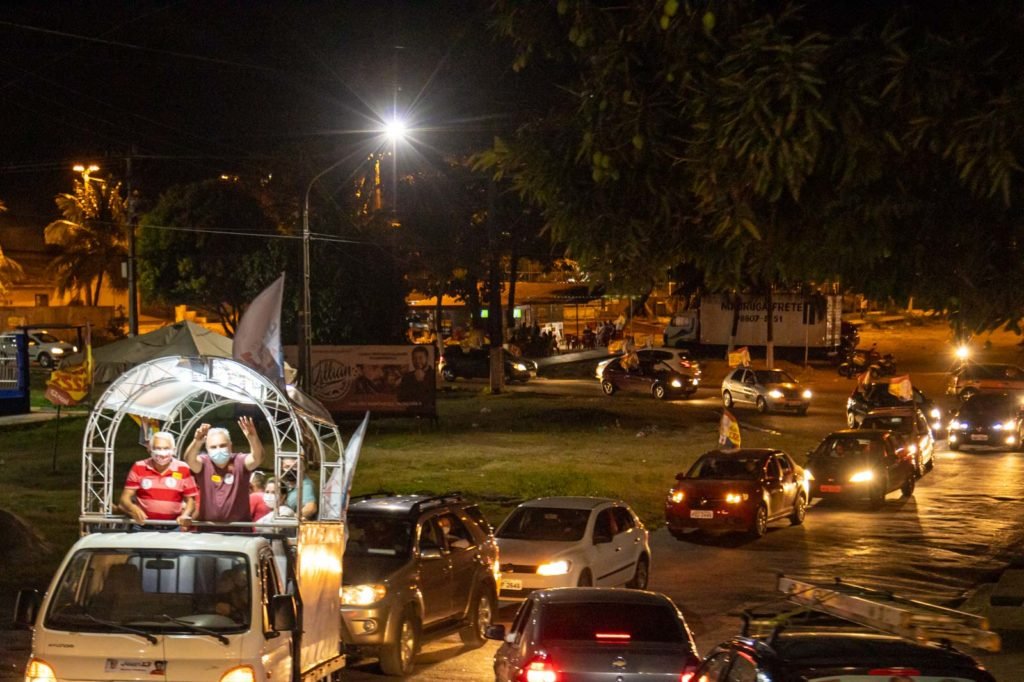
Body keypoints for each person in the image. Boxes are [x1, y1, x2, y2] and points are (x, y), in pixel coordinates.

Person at [184, 416, 265, 527]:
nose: (218, 450)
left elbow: (258, 458)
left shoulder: (239, 461)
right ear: (207, 449)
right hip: (208, 529)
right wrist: (197, 441)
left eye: (222, 445)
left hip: (238, 530)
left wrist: (253, 438)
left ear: (230, 446)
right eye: (213, 447)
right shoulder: (204, 463)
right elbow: (189, 459)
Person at [119, 431, 198, 530]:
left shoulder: (183, 468)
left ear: (173, 450)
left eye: (166, 448)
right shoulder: (139, 467)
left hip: (172, 528)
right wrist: (133, 509)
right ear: (150, 450)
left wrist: (185, 515)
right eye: (158, 448)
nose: (162, 452)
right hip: (143, 526)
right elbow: (124, 498)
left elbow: (191, 500)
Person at [280, 456, 317, 521]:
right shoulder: (285, 483)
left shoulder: (306, 484)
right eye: (286, 467)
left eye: (294, 467)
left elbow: (311, 508)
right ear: (282, 468)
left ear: (302, 468)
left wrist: (292, 517)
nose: (290, 470)